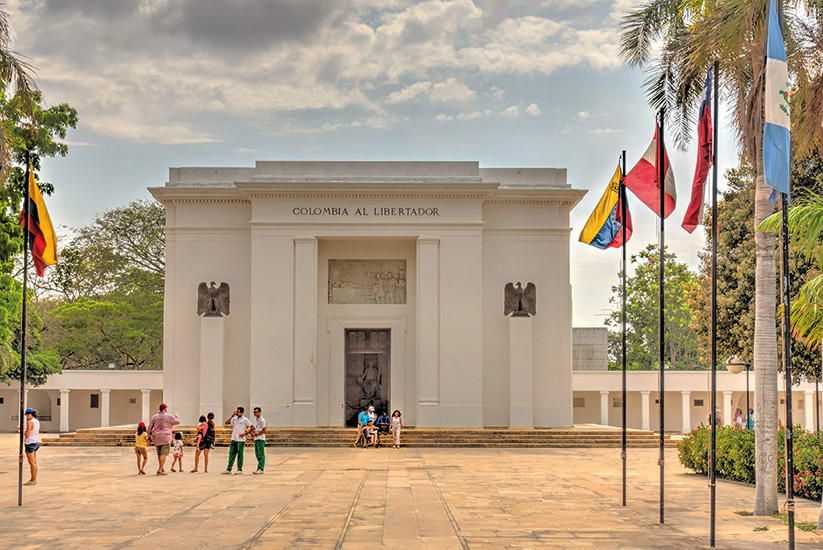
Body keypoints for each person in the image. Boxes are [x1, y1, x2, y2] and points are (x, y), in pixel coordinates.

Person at [147, 403, 180, 476]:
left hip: (157, 437)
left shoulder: (154, 417)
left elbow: (150, 427)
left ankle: (161, 468)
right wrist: (177, 416)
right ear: (165, 409)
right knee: (163, 454)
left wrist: (149, 436)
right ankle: (159, 470)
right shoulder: (169, 416)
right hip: (166, 437)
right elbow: (177, 422)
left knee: (159, 454)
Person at [223, 406, 252, 475]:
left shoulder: (245, 419)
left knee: (240, 454)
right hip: (234, 439)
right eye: (236, 411)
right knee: (231, 454)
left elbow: (252, 427)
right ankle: (229, 469)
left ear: (242, 413)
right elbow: (226, 423)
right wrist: (232, 415)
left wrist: (245, 433)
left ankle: (239, 469)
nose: (237, 413)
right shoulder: (234, 419)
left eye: (238, 412)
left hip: (240, 440)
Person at [22, 408, 39, 485]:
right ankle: (33, 478)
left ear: (29, 414)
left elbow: (27, 435)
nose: (26, 417)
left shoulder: (30, 422)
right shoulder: (36, 421)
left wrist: (22, 430)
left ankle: (33, 480)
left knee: (31, 463)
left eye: (26, 415)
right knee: (34, 462)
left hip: (30, 444)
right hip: (35, 442)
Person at [252, 407, 267, 475]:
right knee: (257, 453)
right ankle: (259, 467)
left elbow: (264, 430)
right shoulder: (256, 420)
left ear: (259, 412)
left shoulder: (262, 420)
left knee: (261, 453)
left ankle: (261, 468)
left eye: (256, 412)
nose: (255, 414)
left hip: (260, 438)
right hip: (256, 439)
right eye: (254, 412)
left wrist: (257, 434)